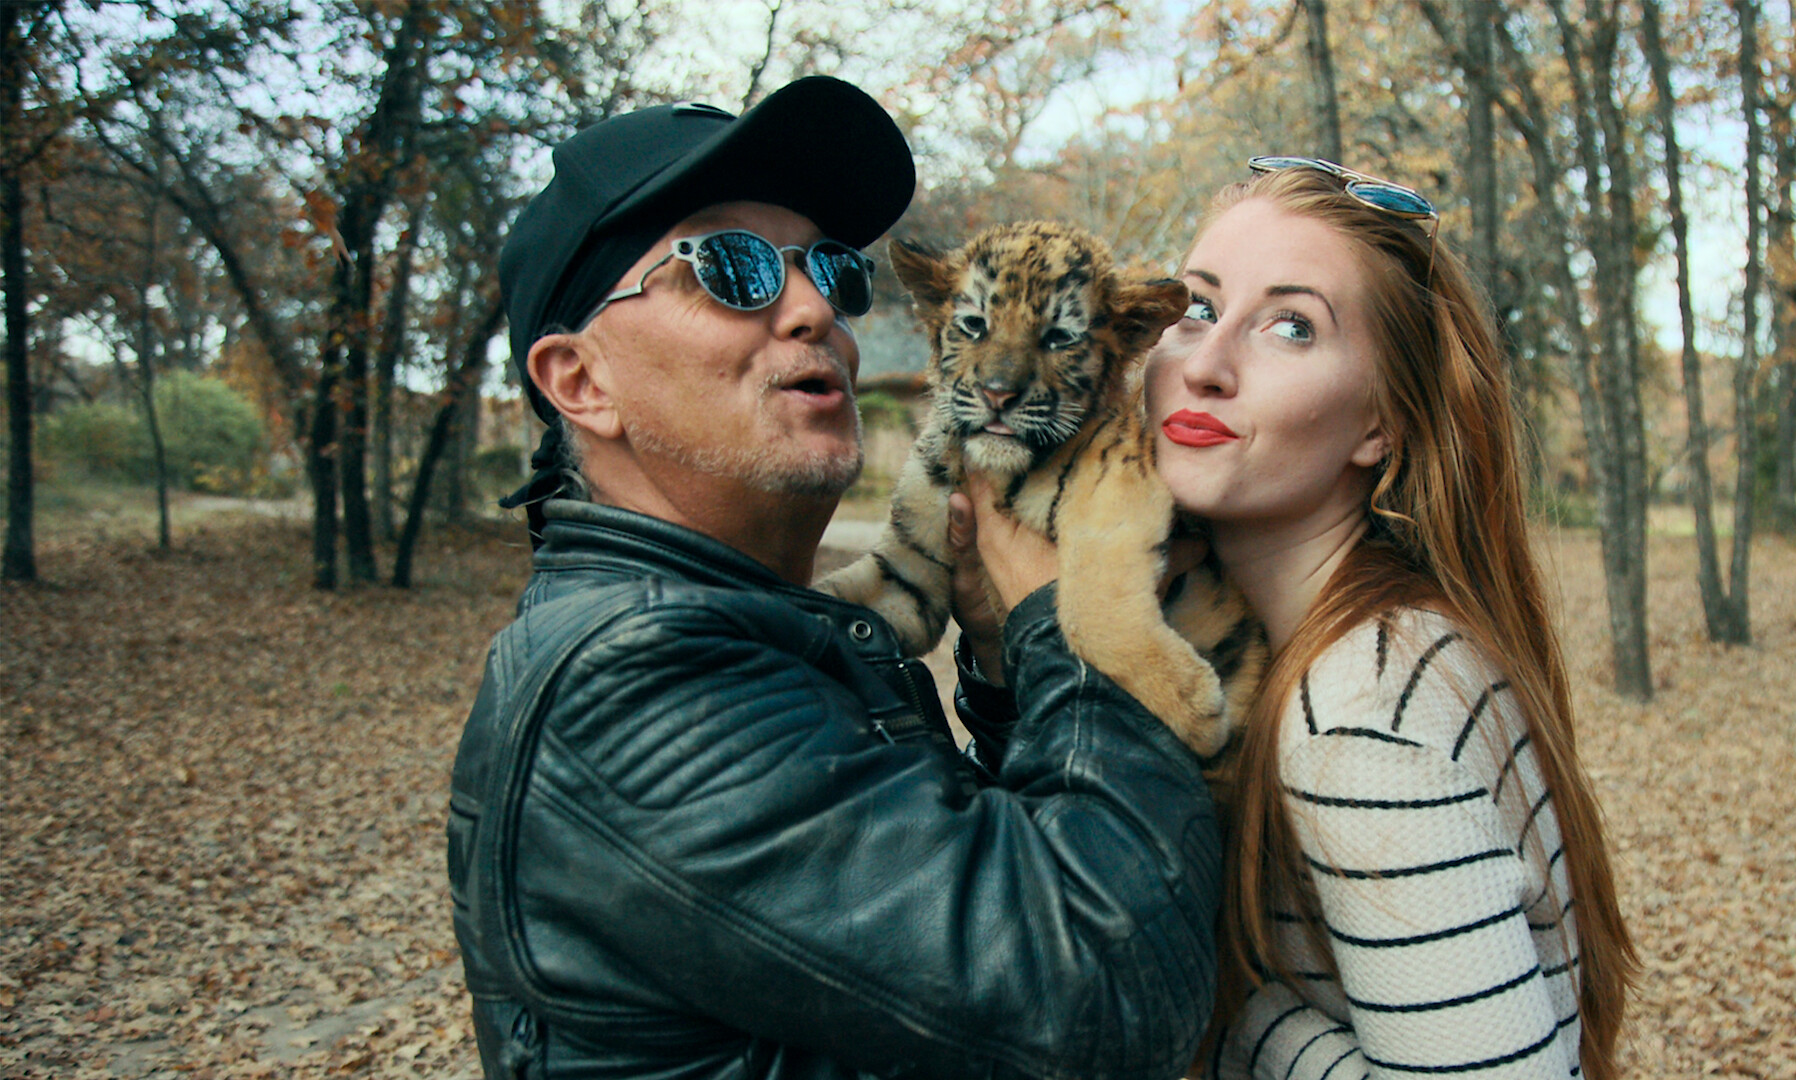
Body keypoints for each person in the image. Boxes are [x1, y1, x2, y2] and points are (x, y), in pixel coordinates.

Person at [446, 76, 1221, 1080]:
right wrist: (1057, 613)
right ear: (580, 384)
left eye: (832, 272)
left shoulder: (740, 628)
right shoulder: (633, 681)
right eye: (729, 267)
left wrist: (994, 650)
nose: (815, 307)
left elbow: (970, 931)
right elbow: (1107, 998)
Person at [1143, 159, 1638, 1080]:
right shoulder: (1391, 637)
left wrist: (1218, 991)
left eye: (1292, 327)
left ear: (1381, 424)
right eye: (1199, 308)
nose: (1206, 366)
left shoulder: (1360, 711)